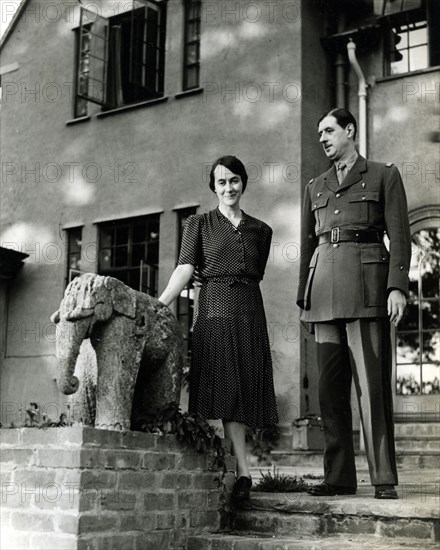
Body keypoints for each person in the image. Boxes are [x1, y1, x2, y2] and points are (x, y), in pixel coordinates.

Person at [297, 108, 411, 500]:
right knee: (330, 394)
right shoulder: (316, 186)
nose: (323, 138)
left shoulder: (383, 174)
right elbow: (308, 245)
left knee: (371, 390)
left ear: (350, 130)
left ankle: (383, 479)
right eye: (318, 133)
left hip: (366, 293)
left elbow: (399, 236)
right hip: (323, 296)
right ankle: (339, 478)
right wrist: (303, 299)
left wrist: (397, 286)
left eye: (328, 130)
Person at [159, 155, 278, 500]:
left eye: (234, 180)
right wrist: (160, 303)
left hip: (249, 314)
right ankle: (232, 469)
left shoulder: (262, 231)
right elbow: (184, 270)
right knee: (220, 389)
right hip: (213, 309)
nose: (229, 187)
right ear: (214, 187)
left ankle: (241, 473)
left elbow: (255, 272)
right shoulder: (198, 224)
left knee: (240, 391)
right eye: (222, 182)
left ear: (243, 183)